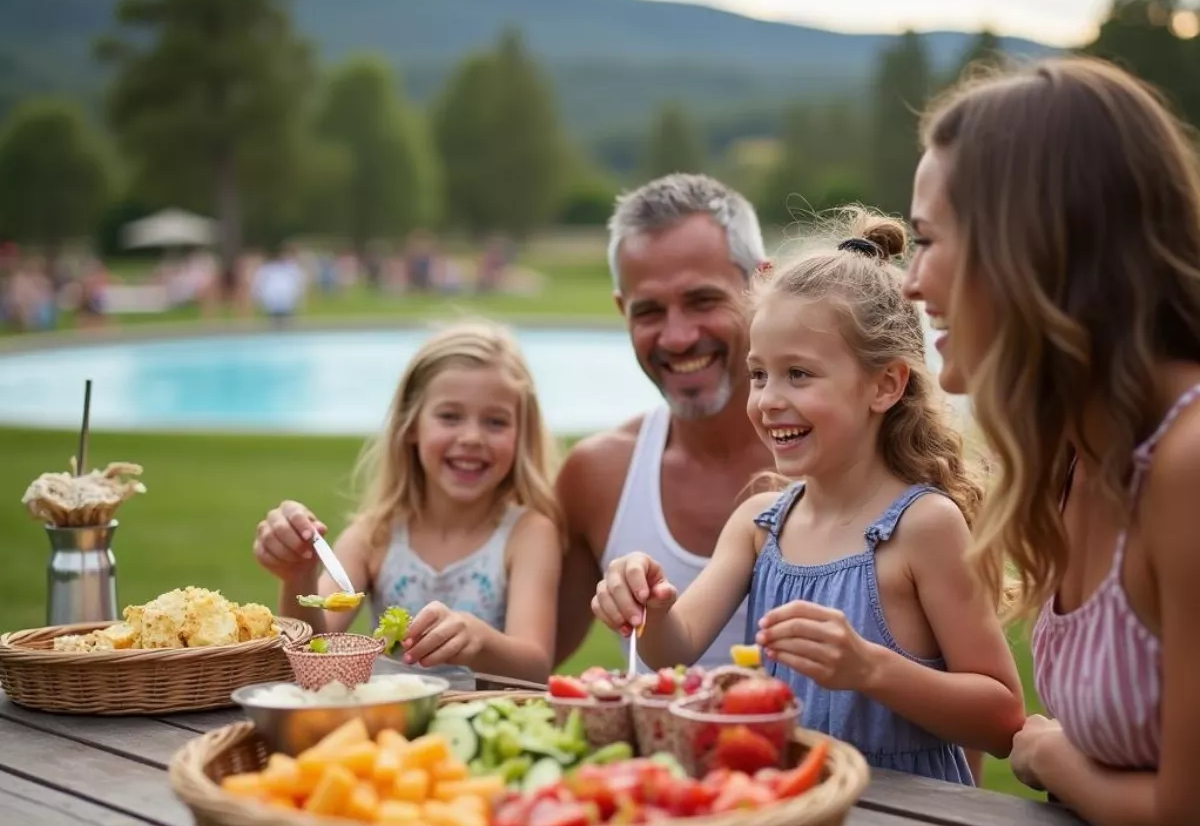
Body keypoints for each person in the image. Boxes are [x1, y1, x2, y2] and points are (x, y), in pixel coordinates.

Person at [593, 210, 1025, 782]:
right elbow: (672, 651)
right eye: (759, 374)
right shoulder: (759, 524)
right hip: (789, 808)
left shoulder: (924, 526)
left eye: (798, 374)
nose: (769, 399)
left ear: (884, 385)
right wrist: (650, 605)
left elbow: (1001, 719)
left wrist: (870, 668)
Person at [903, 56, 1200, 826]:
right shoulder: (1072, 456)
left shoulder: (1186, 462)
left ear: (1031, 248)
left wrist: (1048, 755)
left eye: (927, 241)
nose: (910, 285)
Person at [253, 321, 564, 683]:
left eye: (496, 422)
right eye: (449, 416)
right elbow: (312, 651)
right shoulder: (374, 536)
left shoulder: (529, 535)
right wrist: (298, 575)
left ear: (521, 434)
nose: (472, 437)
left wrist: (479, 640)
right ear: (411, 425)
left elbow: (536, 666)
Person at [554, 174, 777, 670]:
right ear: (621, 310)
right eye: (649, 311)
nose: (677, 338)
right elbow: (521, 663)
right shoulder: (597, 474)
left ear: (762, 284)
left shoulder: (851, 461)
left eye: (702, 301)